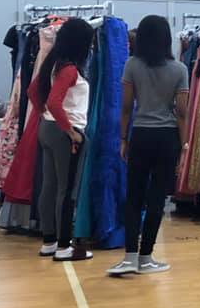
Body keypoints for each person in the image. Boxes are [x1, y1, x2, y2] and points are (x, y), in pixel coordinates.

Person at [107, 15, 189, 276]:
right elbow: (182, 113)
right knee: (156, 199)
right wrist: (185, 145)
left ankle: (130, 257)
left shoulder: (132, 64)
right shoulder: (180, 70)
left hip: (141, 135)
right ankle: (147, 258)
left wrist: (123, 138)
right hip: (167, 138)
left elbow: (126, 108)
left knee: (134, 197)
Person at [29, 17, 95, 261]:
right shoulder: (70, 69)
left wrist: (43, 115)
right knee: (66, 190)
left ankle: (49, 241)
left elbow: (33, 91)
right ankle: (64, 246)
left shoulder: (53, 63)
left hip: (48, 128)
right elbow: (54, 102)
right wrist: (71, 132)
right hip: (65, 131)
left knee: (49, 186)